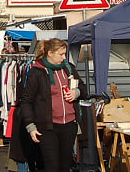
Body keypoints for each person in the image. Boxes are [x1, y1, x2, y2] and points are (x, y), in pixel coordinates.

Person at [20, 39, 86, 172]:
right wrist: (30, 126)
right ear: (50, 53)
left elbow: (84, 90)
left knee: (65, 165)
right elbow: (26, 101)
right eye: (61, 54)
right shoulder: (37, 72)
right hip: (47, 126)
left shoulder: (69, 69)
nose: (64, 57)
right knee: (51, 166)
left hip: (69, 124)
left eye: (64, 54)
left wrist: (76, 92)